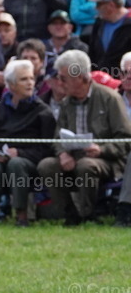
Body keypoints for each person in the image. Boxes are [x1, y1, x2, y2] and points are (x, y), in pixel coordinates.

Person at [37, 50, 131, 224]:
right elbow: (57, 137)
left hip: (107, 160)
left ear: (79, 77)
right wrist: (62, 154)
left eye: (63, 78)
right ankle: (69, 212)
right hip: (74, 155)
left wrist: (101, 150)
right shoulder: (66, 103)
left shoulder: (109, 98)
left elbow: (125, 139)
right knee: (46, 165)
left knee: (86, 166)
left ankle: (87, 213)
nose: (60, 83)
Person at [0, 58, 54, 227]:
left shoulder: (43, 112)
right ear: (11, 85)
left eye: (31, 78)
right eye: (24, 79)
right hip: (1, 161)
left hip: (30, 164)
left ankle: (21, 216)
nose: (30, 83)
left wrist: (20, 153)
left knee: (16, 164)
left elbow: (48, 149)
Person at [87, 0, 131, 75]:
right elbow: (92, 54)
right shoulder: (99, 23)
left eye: (99, 4)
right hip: (101, 81)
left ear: (111, 5)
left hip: (124, 84)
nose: (96, 7)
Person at [114, 51, 131, 226]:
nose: (129, 78)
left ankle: (124, 210)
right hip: (114, 154)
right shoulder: (112, 100)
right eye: (125, 73)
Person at [43, 9, 88, 75]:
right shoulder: (41, 47)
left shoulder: (80, 48)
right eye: (54, 23)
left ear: (70, 27)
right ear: (49, 28)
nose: (58, 27)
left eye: (62, 23)